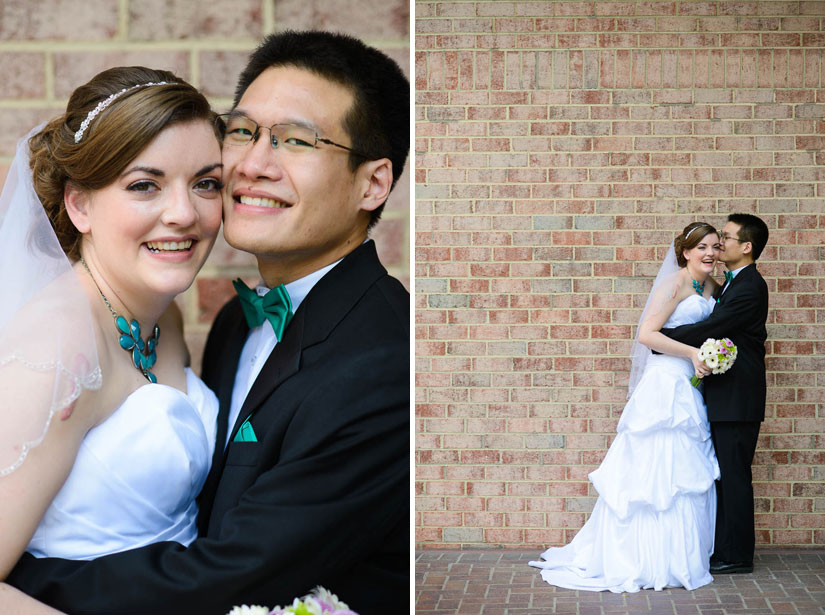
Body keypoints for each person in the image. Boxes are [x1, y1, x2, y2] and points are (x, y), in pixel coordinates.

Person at [6, 30, 410, 615]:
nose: (253, 164)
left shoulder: (385, 360)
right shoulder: (229, 325)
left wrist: (29, 582)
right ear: (79, 203)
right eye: (243, 132)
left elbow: (235, 572)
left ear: (373, 183)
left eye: (296, 140)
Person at [0, 68, 223, 607]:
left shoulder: (162, 318)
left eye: (206, 183)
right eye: (145, 185)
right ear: (80, 205)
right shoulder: (57, 348)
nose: (184, 214)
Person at [530, 222, 723, 592]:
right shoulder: (675, 283)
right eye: (701, 248)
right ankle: (641, 557)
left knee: (683, 473)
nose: (709, 254)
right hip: (665, 382)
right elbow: (647, 335)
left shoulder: (713, 286)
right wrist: (694, 353)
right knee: (654, 472)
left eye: (715, 247)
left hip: (689, 386)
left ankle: (678, 556)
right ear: (685, 252)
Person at [660, 213, 769, 575]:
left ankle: (736, 555)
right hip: (726, 396)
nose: (721, 244)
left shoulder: (750, 285)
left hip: (738, 399)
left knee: (734, 475)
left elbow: (713, 326)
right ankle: (724, 548)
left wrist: (661, 342)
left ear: (747, 246)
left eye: (727, 237)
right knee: (726, 473)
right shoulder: (730, 283)